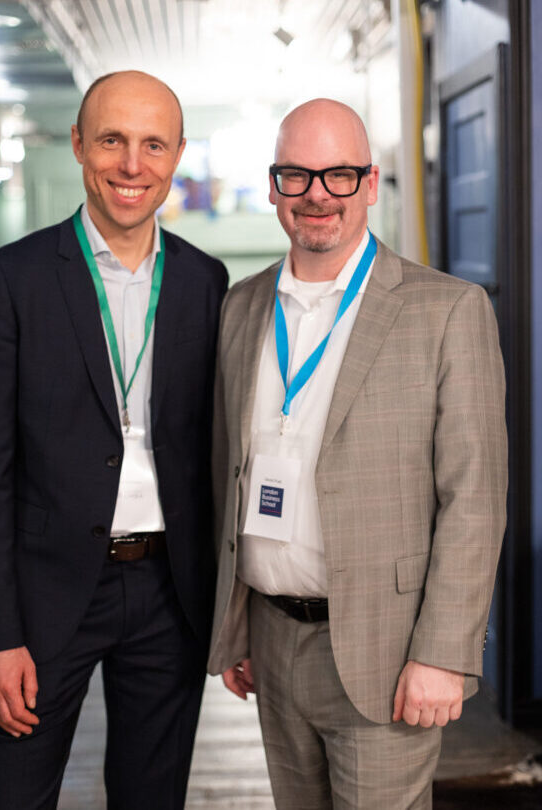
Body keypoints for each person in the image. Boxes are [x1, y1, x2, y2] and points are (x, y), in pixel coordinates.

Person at [208, 99, 506, 809]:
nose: (317, 195)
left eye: (339, 175)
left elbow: (475, 499)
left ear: (370, 184)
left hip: (387, 646)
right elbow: (231, 473)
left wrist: (442, 653)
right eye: (296, 175)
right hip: (273, 647)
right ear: (274, 185)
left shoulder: (447, 309)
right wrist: (237, 623)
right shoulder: (240, 308)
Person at [0, 70, 227, 810]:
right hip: (44, 595)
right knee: (15, 796)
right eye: (112, 140)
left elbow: (215, 457)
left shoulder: (206, 283)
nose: (131, 165)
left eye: (152, 145)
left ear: (175, 157)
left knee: (152, 797)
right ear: (79, 145)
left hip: (171, 593)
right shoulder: (14, 279)